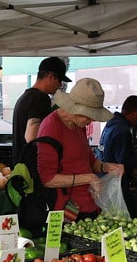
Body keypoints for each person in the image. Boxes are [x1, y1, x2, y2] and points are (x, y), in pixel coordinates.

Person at [37, 78, 123, 220]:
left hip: (89, 204)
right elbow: (48, 179)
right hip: (66, 211)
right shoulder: (50, 128)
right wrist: (88, 178)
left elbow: (89, 162)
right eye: (90, 116)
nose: (92, 120)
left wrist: (106, 167)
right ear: (75, 109)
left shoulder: (79, 125)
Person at [11, 57, 71, 164]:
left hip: (20, 162)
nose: (60, 85)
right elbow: (32, 138)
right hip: (32, 165)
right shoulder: (41, 98)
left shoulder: (25, 96)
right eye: (60, 80)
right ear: (51, 77)